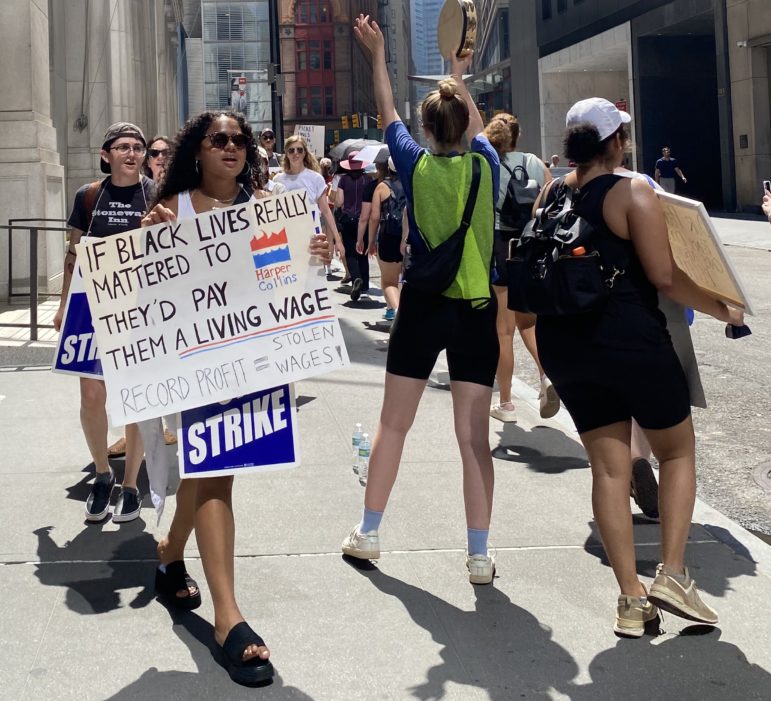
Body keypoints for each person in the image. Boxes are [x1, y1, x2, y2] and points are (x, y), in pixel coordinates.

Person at [534, 97, 744, 637]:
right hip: (627, 339)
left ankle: (631, 600)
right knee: (676, 451)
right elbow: (665, 276)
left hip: (567, 345)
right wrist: (724, 304)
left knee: (608, 469)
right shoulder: (633, 191)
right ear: (616, 141)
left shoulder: (555, 191)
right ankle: (671, 573)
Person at [142, 110, 330, 686]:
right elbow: (149, 291)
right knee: (218, 468)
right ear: (197, 150)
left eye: (239, 140)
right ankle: (229, 620)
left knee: (210, 464)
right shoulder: (171, 210)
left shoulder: (265, 210)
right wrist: (146, 243)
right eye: (218, 139)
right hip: (196, 363)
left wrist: (311, 258)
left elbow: (278, 279)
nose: (231, 147)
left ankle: (170, 551)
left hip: (249, 363)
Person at [341, 15, 500, 585]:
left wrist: (378, 53)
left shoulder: (415, 163)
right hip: (477, 311)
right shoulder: (488, 164)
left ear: (427, 130)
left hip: (424, 307)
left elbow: (387, 112)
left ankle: (370, 532)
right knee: (473, 439)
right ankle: (479, 554)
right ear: (467, 125)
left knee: (394, 424)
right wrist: (458, 70)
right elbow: (471, 118)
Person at [53, 122, 151, 523]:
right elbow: (74, 254)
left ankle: (130, 486)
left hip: (144, 311)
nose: (132, 153)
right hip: (90, 308)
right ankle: (101, 473)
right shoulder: (89, 195)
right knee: (92, 397)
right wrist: (62, 306)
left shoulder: (158, 194)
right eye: (123, 147)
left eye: (139, 148)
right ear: (105, 154)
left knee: (137, 398)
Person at [483, 114, 558, 422]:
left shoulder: (488, 165)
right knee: (530, 321)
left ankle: (505, 403)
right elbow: (554, 202)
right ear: (517, 135)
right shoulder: (537, 163)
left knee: (504, 331)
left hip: (500, 245)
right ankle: (546, 374)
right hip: (531, 245)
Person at [274, 134, 344, 262]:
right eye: (291, 150)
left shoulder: (315, 178)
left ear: (305, 153)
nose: (296, 153)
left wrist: (337, 240)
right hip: (286, 239)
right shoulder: (278, 180)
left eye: (299, 150)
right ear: (286, 153)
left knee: (313, 279)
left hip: (312, 238)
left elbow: (326, 211)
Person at [367, 158, 406, 321]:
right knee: (404, 278)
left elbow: (374, 217)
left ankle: (396, 311)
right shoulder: (412, 183)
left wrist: (370, 241)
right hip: (410, 236)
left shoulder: (382, 187)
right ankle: (401, 310)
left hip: (388, 236)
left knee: (389, 281)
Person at [335, 151, 372, 301]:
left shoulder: (343, 180)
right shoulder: (368, 180)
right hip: (364, 219)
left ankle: (356, 277)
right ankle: (364, 284)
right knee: (363, 252)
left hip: (347, 220)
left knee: (350, 253)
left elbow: (338, 202)